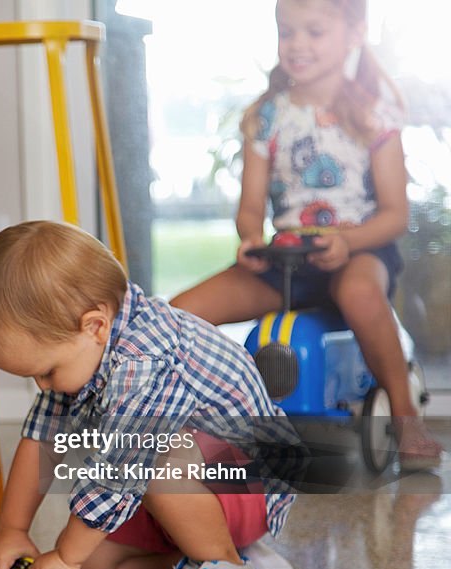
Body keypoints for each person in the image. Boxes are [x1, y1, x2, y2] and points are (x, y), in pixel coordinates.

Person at [0, 221, 303, 569]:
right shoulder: (87, 342)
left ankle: (226, 568)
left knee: (157, 457)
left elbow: (119, 472)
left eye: (47, 372)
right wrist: (13, 530)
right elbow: (41, 439)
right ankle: (206, 552)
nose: (43, 386)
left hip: (252, 486)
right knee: (93, 566)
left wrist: (63, 555)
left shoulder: (143, 360)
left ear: (94, 326)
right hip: (193, 490)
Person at [170, 0, 444, 470]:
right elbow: (251, 208)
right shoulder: (267, 116)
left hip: (358, 250)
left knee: (359, 292)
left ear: (354, 33)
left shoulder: (375, 113)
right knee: (180, 314)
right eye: (287, 31)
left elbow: (395, 215)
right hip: (286, 258)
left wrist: (348, 243)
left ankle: (404, 416)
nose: (297, 45)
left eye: (313, 32)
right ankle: (197, 423)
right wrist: (251, 239)